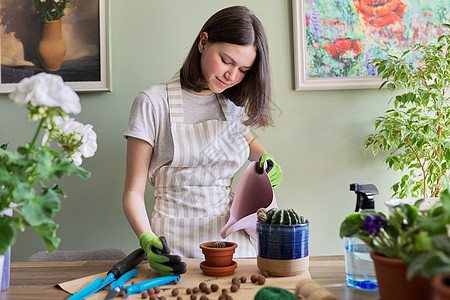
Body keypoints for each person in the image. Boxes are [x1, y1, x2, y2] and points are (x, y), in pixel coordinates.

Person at [122, 6, 282, 276]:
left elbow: (250, 142)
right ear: (203, 42)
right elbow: (132, 193)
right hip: (175, 245)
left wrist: (265, 157)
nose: (232, 76)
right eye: (226, 61)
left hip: (234, 243)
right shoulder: (152, 102)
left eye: (243, 69)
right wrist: (147, 239)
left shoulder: (231, 106)